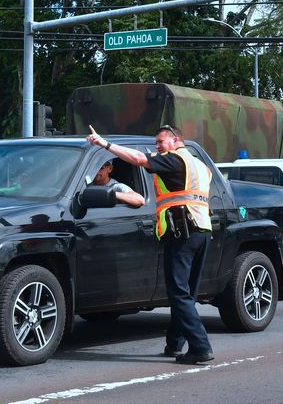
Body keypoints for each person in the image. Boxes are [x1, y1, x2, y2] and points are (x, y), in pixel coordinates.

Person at [85, 124, 215, 364]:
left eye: (160, 142)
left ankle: (201, 346)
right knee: (187, 292)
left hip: (182, 231)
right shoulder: (200, 165)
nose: (157, 147)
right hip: (202, 229)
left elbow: (137, 158)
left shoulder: (174, 159)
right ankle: (175, 343)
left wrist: (105, 144)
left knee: (178, 293)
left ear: (175, 141)